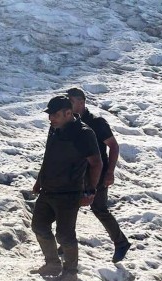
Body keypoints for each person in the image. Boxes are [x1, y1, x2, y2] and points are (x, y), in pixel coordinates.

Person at [31, 95, 103, 279]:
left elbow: (96, 163)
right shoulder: (54, 129)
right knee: (39, 226)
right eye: (50, 115)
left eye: (55, 115)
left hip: (69, 193)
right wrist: (39, 180)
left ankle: (70, 271)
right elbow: (48, 156)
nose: (51, 118)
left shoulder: (84, 134)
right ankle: (53, 263)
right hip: (48, 190)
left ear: (68, 113)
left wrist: (91, 189)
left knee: (64, 235)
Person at [66, 87, 131, 263]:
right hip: (78, 175)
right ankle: (65, 245)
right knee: (69, 207)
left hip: (97, 174)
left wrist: (110, 172)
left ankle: (121, 242)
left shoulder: (97, 123)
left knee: (99, 209)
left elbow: (114, 146)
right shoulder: (69, 123)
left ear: (81, 102)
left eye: (71, 101)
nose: (68, 104)